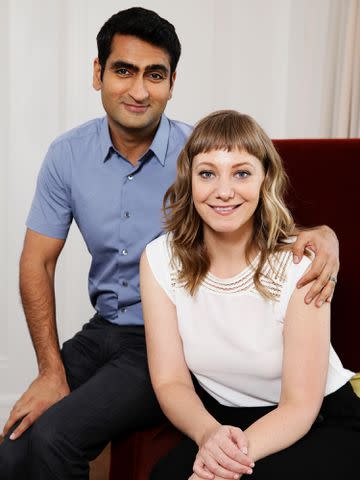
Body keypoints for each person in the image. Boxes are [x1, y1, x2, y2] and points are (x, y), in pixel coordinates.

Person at [0, 7, 339, 480]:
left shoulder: (200, 154)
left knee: (56, 437)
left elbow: (250, 214)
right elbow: (36, 263)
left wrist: (323, 234)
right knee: (14, 446)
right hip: (102, 328)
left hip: (166, 339)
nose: (139, 90)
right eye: (123, 71)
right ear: (98, 74)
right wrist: (50, 371)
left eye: (154, 75)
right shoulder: (67, 155)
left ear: (172, 82)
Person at [141, 110, 359, 480]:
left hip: (317, 419)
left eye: (241, 173)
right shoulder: (159, 259)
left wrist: (219, 466)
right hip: (224, 420)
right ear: (189, 181)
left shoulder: (301, 264)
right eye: (207, 173)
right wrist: (209, 436)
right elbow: (170, 381)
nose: (224, 191)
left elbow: (300, 406)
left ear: (265, 180)